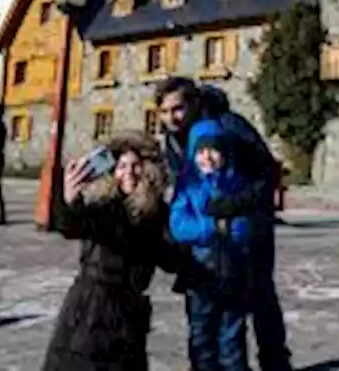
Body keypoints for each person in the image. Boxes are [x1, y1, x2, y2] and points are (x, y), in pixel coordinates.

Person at [156, 77, 292, 371]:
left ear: (194, 103)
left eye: (177, 109)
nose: (172, 118)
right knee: (208, 319)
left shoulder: (230, 125)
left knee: (260, 297)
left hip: (250, 229)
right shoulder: (172, 141)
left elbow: (267, 173)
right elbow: (184, 187)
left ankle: (276, 363)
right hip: (207, 243)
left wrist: (237, 206)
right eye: (165, 112)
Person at [42, 135, 179, 370]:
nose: (129, 172)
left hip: (129, 311)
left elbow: (170, 259)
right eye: (122, 166)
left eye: (135, 165)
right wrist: (70, 201)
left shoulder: (157, 214)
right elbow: (73, 226)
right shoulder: (105, 206)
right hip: (90, 307)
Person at [170, 125, 256, 371]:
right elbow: (178, 225)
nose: (207, 157)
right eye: (201, 151)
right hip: (200, 270)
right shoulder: (188, 186)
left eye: (213, 151)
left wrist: (235, 228)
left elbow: (246, 223)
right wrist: (212, 227)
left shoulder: (236, 184)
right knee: (201, 335)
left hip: (233, 269)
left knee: (232, 334)